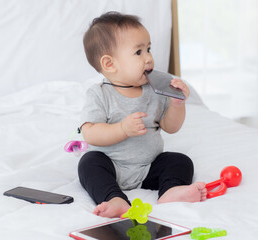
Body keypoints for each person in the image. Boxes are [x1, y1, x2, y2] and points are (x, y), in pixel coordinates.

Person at [78, 11, 207, 218]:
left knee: (180, 161)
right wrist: (122, 129)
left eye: (149, 49)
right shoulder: (99, 94)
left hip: (149, 167)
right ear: (110, 64)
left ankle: (170, 191)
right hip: (112, 166)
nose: (148, 58)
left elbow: (171, 127)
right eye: (138, 52)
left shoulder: (155, 89)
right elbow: (90, 133)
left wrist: (177, 104)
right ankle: (115, 198)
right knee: (89, 164)